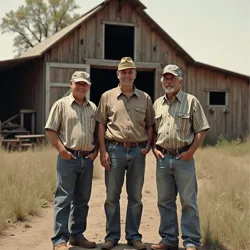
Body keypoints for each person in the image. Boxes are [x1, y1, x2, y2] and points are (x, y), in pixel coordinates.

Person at [96, 57, 154, 250]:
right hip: (114, 150)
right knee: (112, 196)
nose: (127, 75)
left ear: (135, 74)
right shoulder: (107, 97)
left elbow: (150, 125)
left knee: (135, 197)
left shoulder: (145, 98)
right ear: (118, 75)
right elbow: (101, 125)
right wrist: (103, 151)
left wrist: (147, 147)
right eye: (124, 72)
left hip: (138, 151)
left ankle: (133, 237)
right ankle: (112, 237)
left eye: (130, 72)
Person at [151, 65, 210, 250]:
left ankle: (191, 241)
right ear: (162, 81)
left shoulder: (191, 101)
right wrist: (154, 148)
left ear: (180, 81)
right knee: (165, 202)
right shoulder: (157, 104)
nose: (169, 81)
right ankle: (168, 239)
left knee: (188, 201)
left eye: (173, 78)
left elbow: (201, 129)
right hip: (162, 159)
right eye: (166, 78)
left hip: (183, 159)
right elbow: (152, 131)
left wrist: (190, 152)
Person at [45, 71, 98, 250]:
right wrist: (62, 151)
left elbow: (98, 133)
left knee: (82, 200)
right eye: (78, 83)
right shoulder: (61, 105)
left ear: (88, 86)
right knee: (64, 199)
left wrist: (96, 151)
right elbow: (50, 130)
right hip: (68, 158)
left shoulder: (93, 108)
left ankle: (77, 235)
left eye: (85, 84)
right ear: (71, 84)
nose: (82, 86)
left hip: (87, 159)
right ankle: (59, 240)